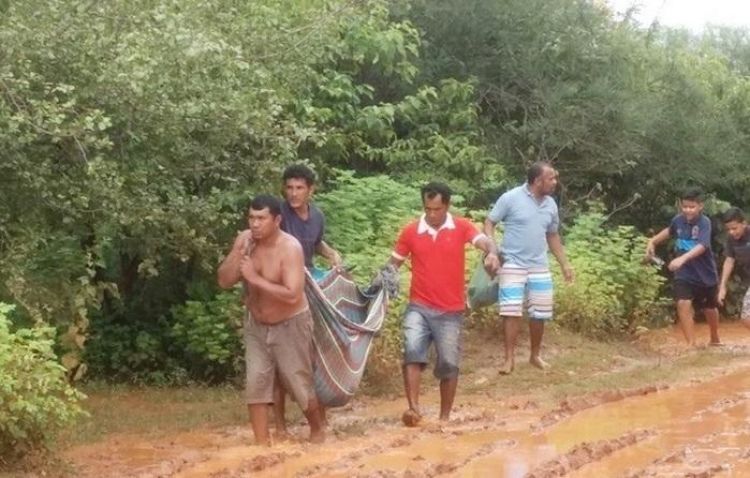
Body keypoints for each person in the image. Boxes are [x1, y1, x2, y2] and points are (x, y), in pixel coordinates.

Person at [389, 182, 500, 425]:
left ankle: (444, 418)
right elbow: (393, 264)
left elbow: (485, 242)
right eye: (428, 209)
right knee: (412, 352)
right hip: (418, 305)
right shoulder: (410, 232)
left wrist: (492, 253)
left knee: (449, 363)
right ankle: (414, 409)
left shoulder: (461, 227)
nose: (432, 214)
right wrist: (383, 283)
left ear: (447, 206)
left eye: (437, 209)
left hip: (451, 310)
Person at [217, 195, 324, 445]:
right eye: (251, 218)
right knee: (256, 382)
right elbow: (223, 281)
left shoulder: (290, 248)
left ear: (276, 221)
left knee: (298, 383)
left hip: (290, 323)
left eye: (261, 218)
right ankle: (261, 444)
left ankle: (318, 429)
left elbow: (293, 294)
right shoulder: (245, 241)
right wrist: (238, 253)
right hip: (256, 324)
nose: (255, 224)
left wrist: (254, 278)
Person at [483, 162, 574, 375]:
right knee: (511, 311)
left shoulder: (551, 204)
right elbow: (489, 223)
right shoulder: (511, 198)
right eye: (551, 178)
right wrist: (492, 250)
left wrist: (565, 264)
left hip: (539, 264)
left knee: (540, 313)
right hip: (512, 262)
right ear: (537, 181)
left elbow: (552, 235)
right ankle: (509, 359)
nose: (555, 182)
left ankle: (535, 355)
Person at [274, 164, 342, 435]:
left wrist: (332, 254)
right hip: (282, 291)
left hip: (310, 289)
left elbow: (316, 243)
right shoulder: (278, 215)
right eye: (289, 187)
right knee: (278, 359)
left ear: (311, 190)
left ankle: (320, 416)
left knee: (315, 354)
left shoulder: (317, 216)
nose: (293, 193)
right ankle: (280, 426)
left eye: (299, 188)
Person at [645, 187, 720, 347]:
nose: (688, 210)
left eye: (692, 207)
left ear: (700, 206)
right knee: (683, 303)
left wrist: (683, 258)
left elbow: (702, 246)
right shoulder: (678, 220)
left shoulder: (704, 223)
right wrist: (652, 241)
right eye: (685, 206)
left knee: (709, 308)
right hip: (684, 273)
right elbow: (669, 231)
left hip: (705, 273)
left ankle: (715, 337)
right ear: (680, 205)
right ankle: (691, 344)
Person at [717, 207, 750, 330]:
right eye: (728, 229)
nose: (731, 232)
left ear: (744, 223)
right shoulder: (731, 239)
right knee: (746, 317)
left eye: (734, 228)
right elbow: (729, 261)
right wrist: (722, 287)